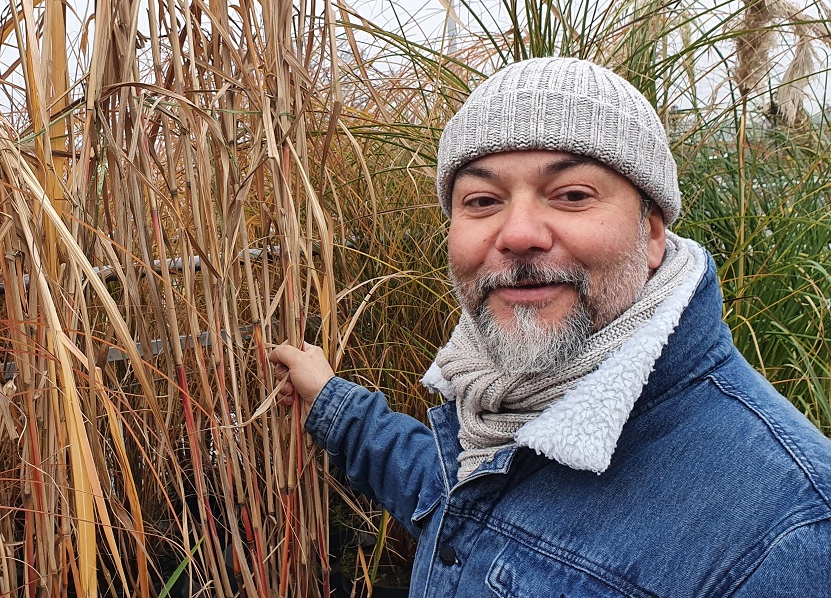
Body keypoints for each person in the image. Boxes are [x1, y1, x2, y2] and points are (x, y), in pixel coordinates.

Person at [269, 57, 831, 597]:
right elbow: (454, 500)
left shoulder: (789, 536)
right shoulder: (496, 400)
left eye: (571, 195)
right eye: (483, 200)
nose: (517, 234)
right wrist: (329, 401)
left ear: (653, 233)